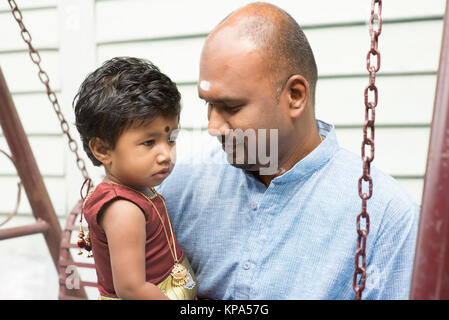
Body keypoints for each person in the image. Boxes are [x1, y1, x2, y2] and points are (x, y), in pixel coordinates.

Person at [157, 2, 419, 299]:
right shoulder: (179, 186)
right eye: (208, 104)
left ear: (295, 96)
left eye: (231, 107)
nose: (213, 126)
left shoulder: (386, 219)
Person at [73, 57, 198, 300]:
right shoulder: (123, 209)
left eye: (170, 139)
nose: (166, 154)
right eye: (149, 142)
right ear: (103, 149)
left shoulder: (138, 187)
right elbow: (131, 288)